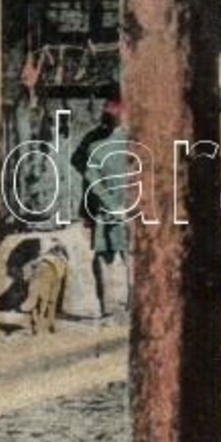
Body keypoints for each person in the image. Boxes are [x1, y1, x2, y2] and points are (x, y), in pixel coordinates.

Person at [79, 99, 133, 319]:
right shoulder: (129, 144)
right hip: (120, 208)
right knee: (120, 256)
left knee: (112, 257)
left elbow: (92, 178)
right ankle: (120, 305)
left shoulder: (98, 146)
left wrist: (112, 204)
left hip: (115, 208)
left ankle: (114, 306)